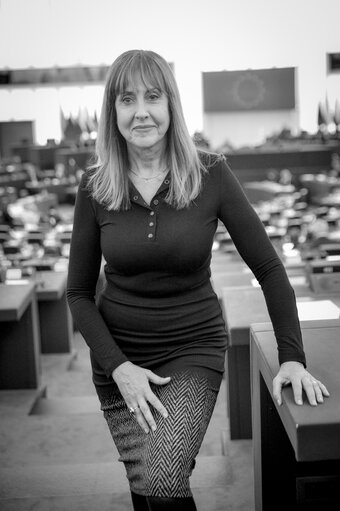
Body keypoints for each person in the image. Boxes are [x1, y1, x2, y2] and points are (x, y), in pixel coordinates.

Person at [66, 49, 329, 511]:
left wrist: (292, 357)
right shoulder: (95, 185)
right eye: (127, 100)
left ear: (171, 104)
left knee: (163, 479)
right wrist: (119, 368)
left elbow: (268, 268)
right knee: (144, 483)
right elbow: (79, 293)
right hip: (119, 361)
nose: (141, 111)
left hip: (193, 349)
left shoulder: (211, 172)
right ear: (114, 111)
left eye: (153, 96)